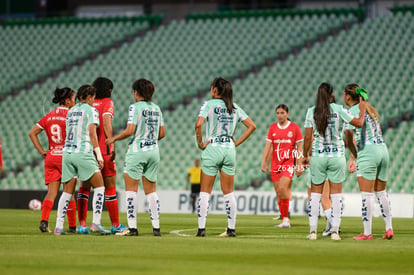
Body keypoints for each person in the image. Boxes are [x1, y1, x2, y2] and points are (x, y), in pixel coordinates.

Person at [302, 82, 366, 241]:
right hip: (337, 156)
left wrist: (304, 155)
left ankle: (312, 232)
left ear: (317, 95)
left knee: (315, 196)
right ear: (332, 95)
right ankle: (335, 231)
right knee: (336, 196)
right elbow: (358, 123)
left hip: (318, 156)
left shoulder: (311, 112)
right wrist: (363, 106)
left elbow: (308, 138)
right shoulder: (339, 109)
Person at [195, 77, 256, 237]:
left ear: (215, 90)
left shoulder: (209, 104)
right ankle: (231, 228)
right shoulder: (234, 107)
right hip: (229, 148)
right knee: (228, 192)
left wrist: (200, 143)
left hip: (213, 147)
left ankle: (201, 229)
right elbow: (252, 126)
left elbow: (198, 124)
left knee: (204, 192)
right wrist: (236, 143)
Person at [106, 78, 165, 237]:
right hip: (154, 151)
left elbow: (130, 130)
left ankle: (132, 228)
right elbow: (162, 133)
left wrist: (113, 139)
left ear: (136, 92)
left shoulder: (134, 107)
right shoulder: (157, 108)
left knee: (131, 190)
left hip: (137, 150)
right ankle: (156, 228)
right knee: (151, 191)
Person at [54, 85, 110, 235]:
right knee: (100, 187)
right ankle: (96, 223)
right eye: (93, 97)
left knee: (67, 191)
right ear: (91, 97)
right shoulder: (91, 110)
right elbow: (92, 133)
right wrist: (98, 155)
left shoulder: (71, 111)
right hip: (83, 152)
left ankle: (58, 227)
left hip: (67, 153)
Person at [76, 77, 126, 234]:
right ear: (109, 90)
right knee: (109, 188)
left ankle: (82, 224)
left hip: (86, 151)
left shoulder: (85, 106)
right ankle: (115, 224)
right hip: (102, 150)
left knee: (84, 188)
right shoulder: (107, 102)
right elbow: (106, 123)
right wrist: (111, 145)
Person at [343, 84, 393, 240]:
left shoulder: (350, 112)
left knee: (367, 195)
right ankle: (389, 228)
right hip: (383, 150)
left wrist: (353, 154)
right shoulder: (370, 110)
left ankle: (367, 233)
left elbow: (348, 135)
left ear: (347, 96)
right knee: (381, 192)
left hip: (368, 152)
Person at [28, 87, 77, 233]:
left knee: (51, 192)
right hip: (66, 156)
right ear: (68, 101)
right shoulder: (71, 115)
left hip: (51, 156)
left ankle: (44, 221)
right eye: (74, 99)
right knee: (70, 192)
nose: (75, 102)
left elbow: (32, 133)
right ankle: (73, 226)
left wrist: (42, 151)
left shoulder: (49, 116)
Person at [261, 104, 303, 228]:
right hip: (275, 164)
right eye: (278, 113)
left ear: (287, 114)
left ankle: (286, 220)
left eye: (282, 113)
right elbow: (268, 146)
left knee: (283, 188)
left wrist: (299, 165)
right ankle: (284, 217)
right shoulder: (272, 128)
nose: (280, 115)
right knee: (278, 192)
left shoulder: (294, 128)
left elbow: (299, 148)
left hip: (288, 163)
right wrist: (264, 162)